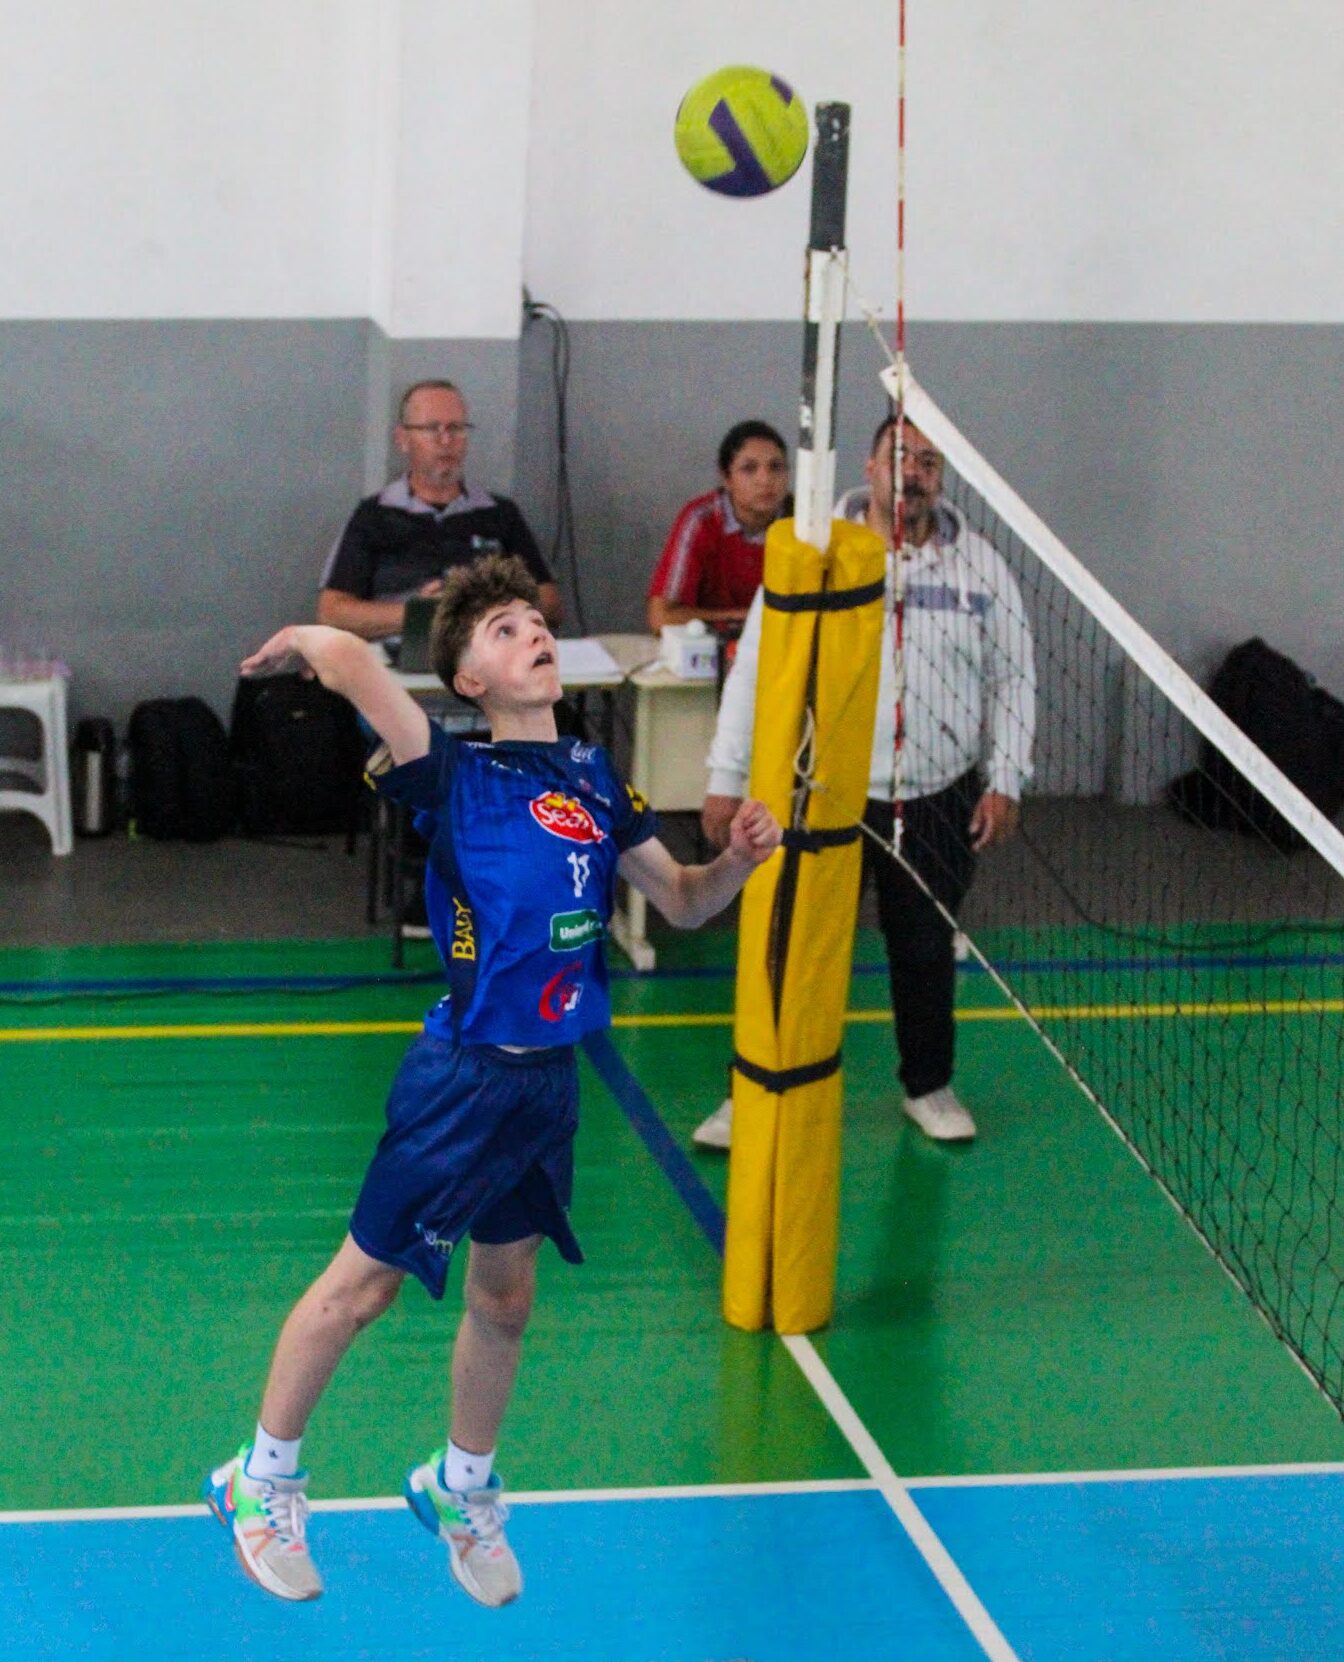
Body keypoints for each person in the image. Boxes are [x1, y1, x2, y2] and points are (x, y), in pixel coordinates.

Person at [204, 554, 781, 1608]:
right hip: (461, 1079)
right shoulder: (452, 773)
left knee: (506, 1300)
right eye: (504, 631)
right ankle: (258, 1478)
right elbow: (350, 663)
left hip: (546, 1083)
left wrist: (739, 857)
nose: (532, 636)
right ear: (469, 680)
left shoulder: (597, 779)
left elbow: (689, 902)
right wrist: (308, 641)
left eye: (535, 622)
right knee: (362, 1287)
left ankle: (459, 1487)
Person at [692, 414, 1035, 1150]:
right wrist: (726, 775)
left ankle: (929, 1085)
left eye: (929, 462)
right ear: (871, 468)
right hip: (824, 792)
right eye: (900, 457)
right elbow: (756, 668)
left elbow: (1015, 680)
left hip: (938, 793)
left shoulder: (983, 570)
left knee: (923, 950)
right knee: (796, 948)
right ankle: (750, 1094)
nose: (913, 472)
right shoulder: (815, 555)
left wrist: (1006, 776)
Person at [319, 379, 563, 640]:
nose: (446, 440)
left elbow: (550, 603)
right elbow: (332, 612)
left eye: (456, 428)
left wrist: (484, 609)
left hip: (486, 659)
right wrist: (421, 613)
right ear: (403, 439)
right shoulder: (374, 514)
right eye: (432, 428)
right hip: (395, 663)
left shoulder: (499, 513)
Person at [646, 420, 790, 634]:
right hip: (708, 650)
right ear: (726, 478)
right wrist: (747, 619)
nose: (765, 479)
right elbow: (661, 618)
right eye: (749, 468)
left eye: (776, 467)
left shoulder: (803, 524)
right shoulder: (700, 520)